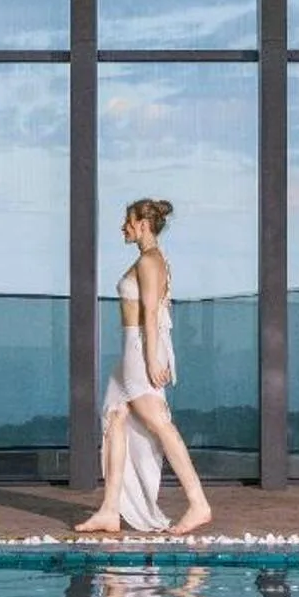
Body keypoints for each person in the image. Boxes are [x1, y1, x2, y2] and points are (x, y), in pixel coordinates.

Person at [74, 199, 214, 536]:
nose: (123, 226)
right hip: (132, 350)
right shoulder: (146, 260)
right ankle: (110, 509)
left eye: (128, 220)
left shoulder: (151, 261)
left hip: (140, 349)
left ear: (143, 225)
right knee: (116, 416)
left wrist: (152, 359)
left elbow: (150, 314)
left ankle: (198, 503)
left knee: (159, 423)